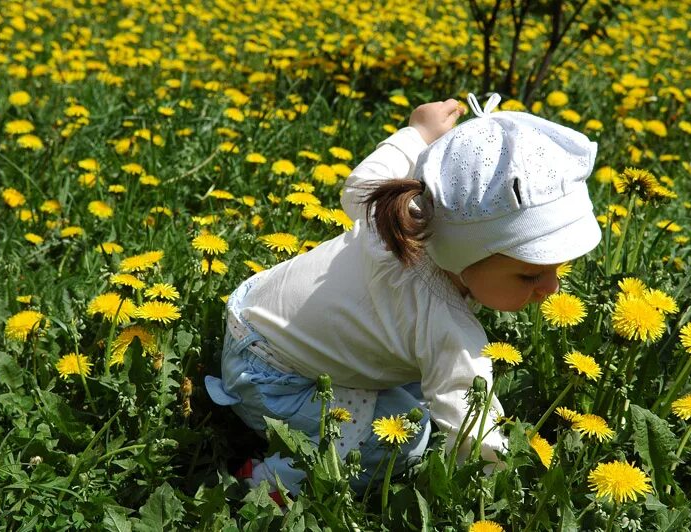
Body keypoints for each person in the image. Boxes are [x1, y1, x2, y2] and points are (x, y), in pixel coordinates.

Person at [205, 93, 601, 498]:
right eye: (530, 274)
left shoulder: (400, 214)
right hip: (276, 381)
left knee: (419, 394)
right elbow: (473, 428)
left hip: (251, 314)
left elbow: (361, 183)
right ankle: (269, 485)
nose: (551, 287)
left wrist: (418, 133)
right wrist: (501, 487)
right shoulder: (447, 326)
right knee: (404, 437)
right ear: (468, 257)